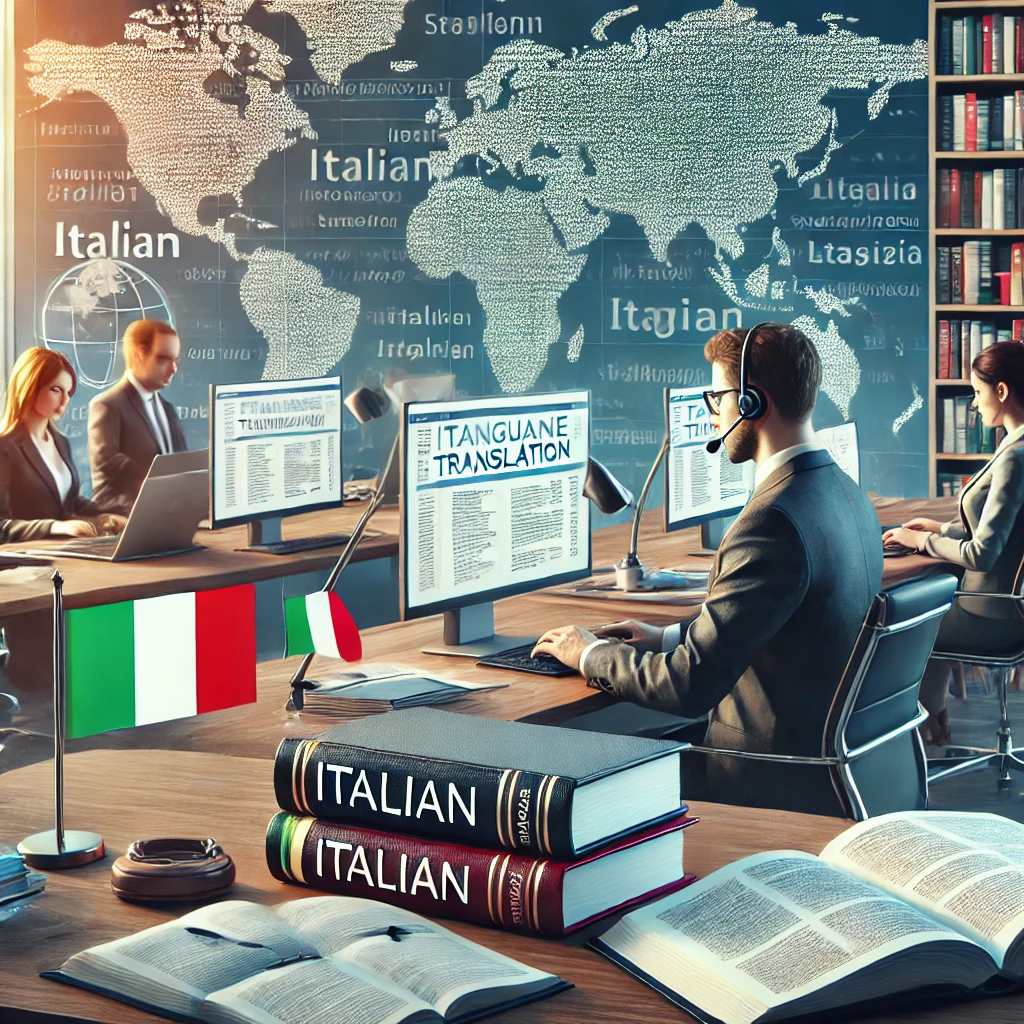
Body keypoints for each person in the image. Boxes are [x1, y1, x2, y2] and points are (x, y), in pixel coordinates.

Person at [532, 323, 883, 812]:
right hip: (834, 762)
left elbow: (688, 687)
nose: (713, 415)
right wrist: (667, 637)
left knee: (574, 781)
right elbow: (788, 625)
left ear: (753, 403)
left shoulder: (771, 522)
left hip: (760, 773)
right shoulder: (844, 491)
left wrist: (588, 653)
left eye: (717, 399)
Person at [883, 341, 1024, 747]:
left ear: (1002, 391)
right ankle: (934, 722)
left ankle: (910, 736)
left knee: (899, 622)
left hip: (992, 614)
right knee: (927, 601)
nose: (974, 404)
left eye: (978, 392)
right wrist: (941, 530)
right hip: (1002, 607)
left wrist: (921, 539)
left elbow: (983, 554)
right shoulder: (1015, 444)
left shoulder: (1015, 456)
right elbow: (1000, 532)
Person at [0, 347, 126, 543]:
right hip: (28, 556)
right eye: (56, 390)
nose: (65, 400)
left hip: (65, 549)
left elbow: (69, 501)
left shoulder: (60, 442)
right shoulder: (5, 448)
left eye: (68, 392)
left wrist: (104, 515)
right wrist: (54, 526)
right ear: (30, 386)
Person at [88, 318, 186, 512]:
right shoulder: (107, 405)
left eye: (174, 360)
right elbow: (108, 463)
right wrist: (158, 482)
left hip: (169, 514)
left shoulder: (167, 409)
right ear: (138, 356)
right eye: (163, 358)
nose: (174, 368)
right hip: (123, 519)